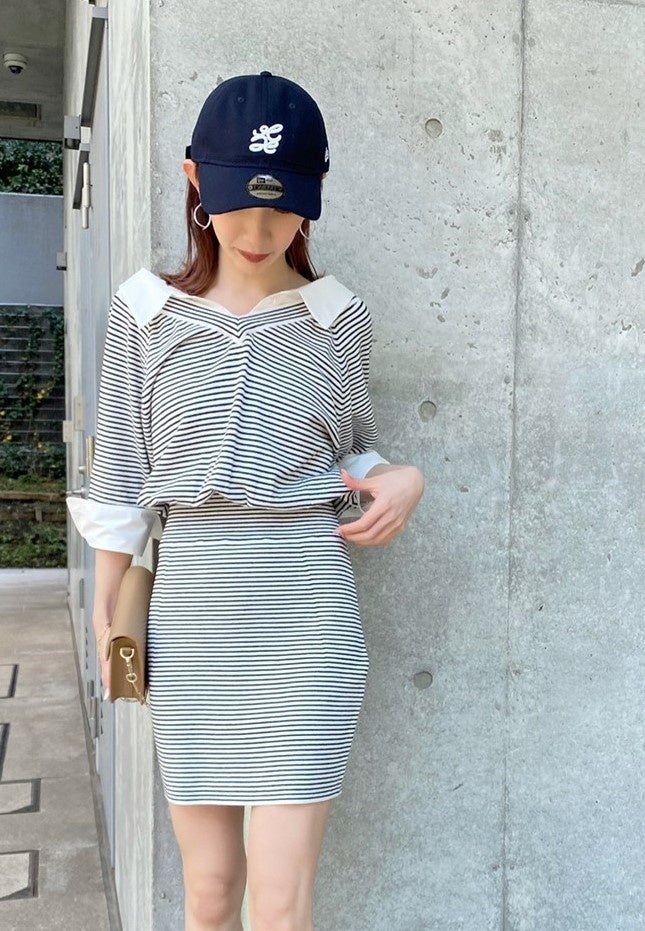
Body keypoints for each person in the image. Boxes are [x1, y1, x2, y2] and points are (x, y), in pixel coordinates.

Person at [68, 70, 424, 931]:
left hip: (306, 614)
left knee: (280, 902)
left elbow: (351, 448)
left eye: (282, 206)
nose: (259, 232)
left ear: (313, 194)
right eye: (237, 203)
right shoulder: (143, 313)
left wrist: (400, 477)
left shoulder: (337, 317)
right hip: (191, 614)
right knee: (208, 891)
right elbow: (119, 475)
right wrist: (111, 619)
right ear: (195, 179)